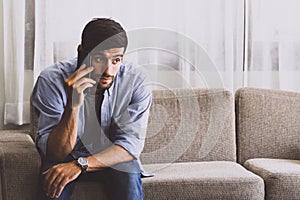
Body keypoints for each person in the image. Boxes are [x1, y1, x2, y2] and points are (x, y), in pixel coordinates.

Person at [31, 18, 152, 200]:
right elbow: (55, 152)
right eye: (99, 59)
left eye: (116, 60)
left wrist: (81, 164)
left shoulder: (135, 81)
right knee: (53, 185)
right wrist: (73, 104)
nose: (108, 71)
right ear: (82, 52)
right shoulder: (51, 80)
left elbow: (129, 146)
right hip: (64, 156)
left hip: (112, 157)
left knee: (128, 173)